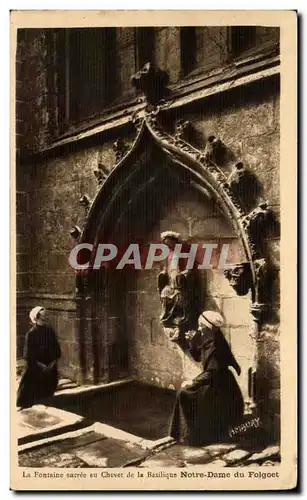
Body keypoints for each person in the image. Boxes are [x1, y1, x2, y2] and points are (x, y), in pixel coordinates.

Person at [169, 310, 244, 446]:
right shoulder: (211, 338)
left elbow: (212, 373)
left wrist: (193, 381)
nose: (199, 328)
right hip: (213, 380)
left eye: (201, 326)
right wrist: (192, 342)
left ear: (209, 328)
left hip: (219, 386)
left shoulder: (216, 346)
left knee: (184, 393)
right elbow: (199, 357)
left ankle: (190, 435)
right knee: (185, 391)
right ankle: (184, 433)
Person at [17, 306, 61, 409]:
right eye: (43, 316)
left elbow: (56, 349)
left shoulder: (49, 330)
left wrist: (52, 363)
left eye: (46, 316)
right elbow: (28, 355)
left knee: (48, 390)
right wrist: (42, 366)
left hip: (49, 365)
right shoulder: (31, 334)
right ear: (36, 318)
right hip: (36, 365)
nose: (45, 318)